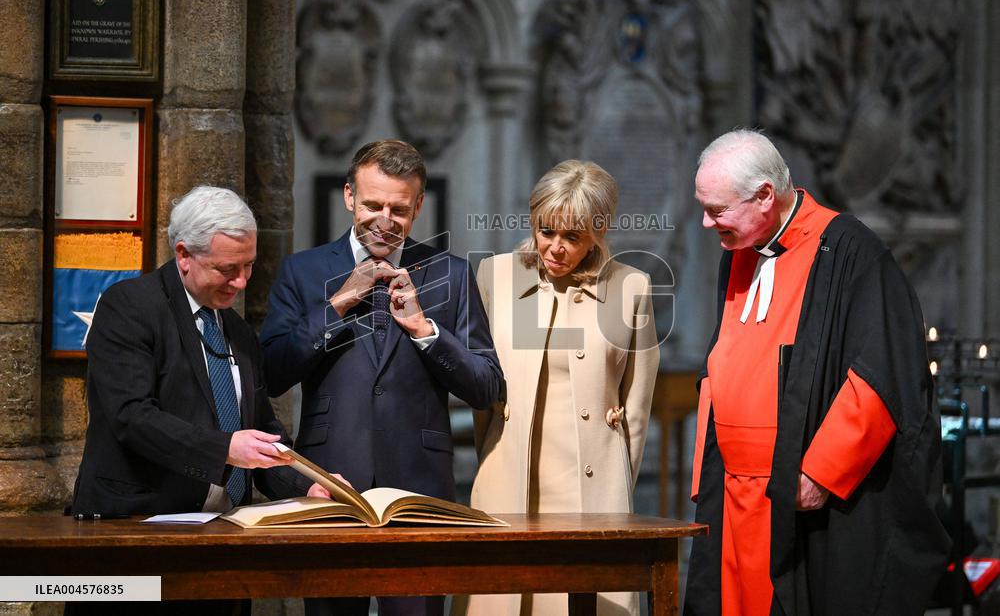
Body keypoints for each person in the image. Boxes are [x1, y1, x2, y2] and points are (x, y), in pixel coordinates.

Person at [685, 130, 950, 615]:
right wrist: (708, 461)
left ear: (765, 196)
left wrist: (822, 472)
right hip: (733, 497)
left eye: (716, 209)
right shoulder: (739, 251)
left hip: (797, 498)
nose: (706, 222)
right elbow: (721, 361)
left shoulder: (852, 253)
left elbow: (880, 375)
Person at [260, 139, 504, 616]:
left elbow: (486, 386)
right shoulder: (303, 271)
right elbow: (273, 373)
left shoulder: (450, 275)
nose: (384, 220)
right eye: (372, 205)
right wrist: (335, 306)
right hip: (330, 486)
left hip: (419, 491)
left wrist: (425, 331)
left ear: (418, 207)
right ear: (349, 197)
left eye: (398, 208)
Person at [70, 186, 335, 615]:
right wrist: (226, 449)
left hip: (221, 544)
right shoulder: (129, 306)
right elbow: (131, 417)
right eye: (227, 269)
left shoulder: (241, 333)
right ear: (183, 255)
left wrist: (309, 485)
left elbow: (263, 434)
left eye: (248, 266)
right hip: (135, 536)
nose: (242, 282)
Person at [464, 160, 660, 616]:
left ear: (599, 232)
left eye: (572, 237)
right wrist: (497, 458)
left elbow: (636, 407)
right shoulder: (496, 275)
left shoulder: (631, 286)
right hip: (508, 481)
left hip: (593, 490)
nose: (555, 248)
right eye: (546, 230)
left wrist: (615, 487)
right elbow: (482, 393)